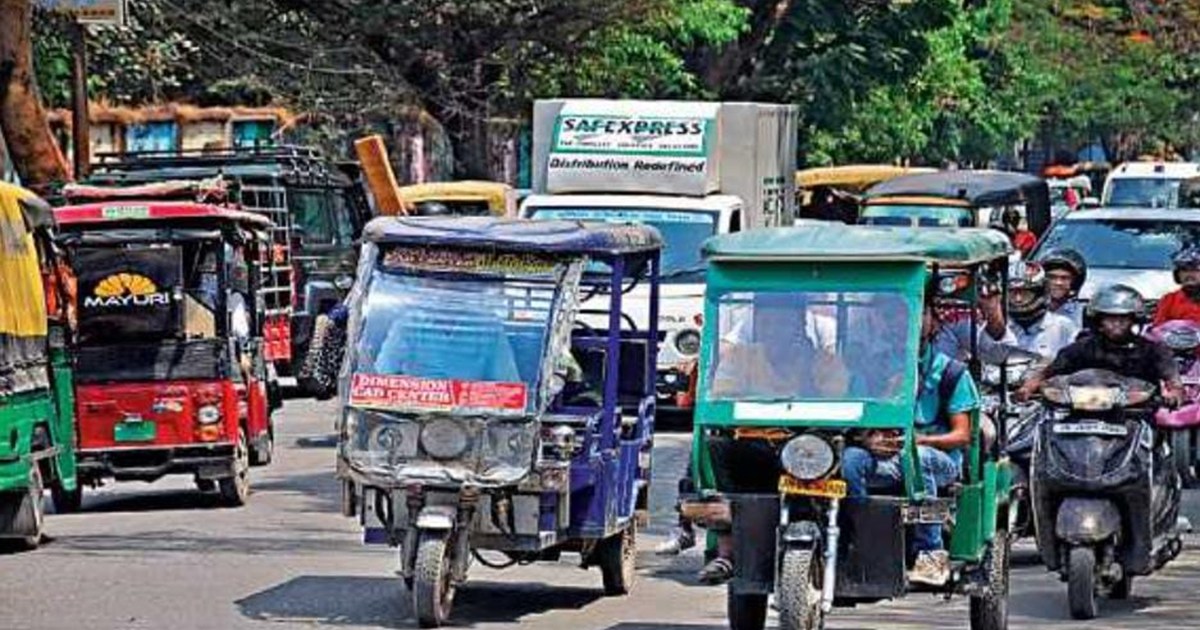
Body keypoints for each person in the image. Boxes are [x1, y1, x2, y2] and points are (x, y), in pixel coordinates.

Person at [840, 292, 979, 586]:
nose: (902, 322)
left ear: (933, 320)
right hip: (884, 457)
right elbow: (854, 420)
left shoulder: (951, 372)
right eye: (891, 315)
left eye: (916, 313)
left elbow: (962, 435)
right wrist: (867, 440)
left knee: (920, 458)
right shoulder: (871, 367)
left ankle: (930, 552)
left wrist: (919, 442)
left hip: (936, 459)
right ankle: (864, 539)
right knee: (849, 460)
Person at [1016, 284, 1182, 405]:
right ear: (1098, 321)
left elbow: (1172, 377)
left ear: (1134, 320)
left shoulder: (1152, 350)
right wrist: (1028, 388)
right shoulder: (1082, 347)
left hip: (1135, 415)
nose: (1116, 324)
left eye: (1122, 319)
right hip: (1082, 416)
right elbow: (1048, 372)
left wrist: (1174, 392)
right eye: (1110, 319)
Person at [985, 261, 1080, 359]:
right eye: (1012, 293)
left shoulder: (1063, 326)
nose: (1018, 299)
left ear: (1039, 293)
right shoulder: (996, 327)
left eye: (1025, 293)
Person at [1040, 248, 1088, 327]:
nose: (1058, 283)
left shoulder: (1083, 312)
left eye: (1065, 278)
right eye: (1052, 277)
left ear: (1075, 282)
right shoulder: (1028, 308)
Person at [1153, 247, 1200, 326]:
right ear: (1177, 275)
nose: (1189, 274)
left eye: (1195, 270)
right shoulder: (1169, 300)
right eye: (1184, 270)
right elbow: (1158, 328)